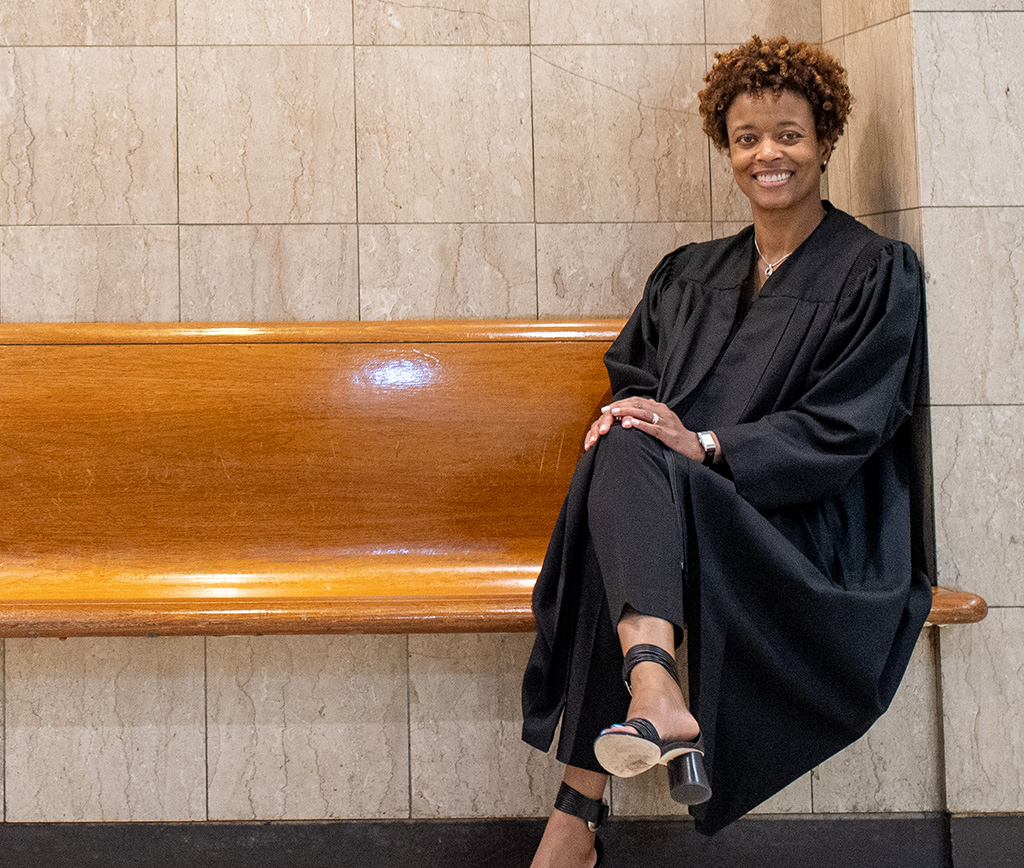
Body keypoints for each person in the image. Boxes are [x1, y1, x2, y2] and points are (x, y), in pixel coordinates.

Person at [522, 34, 932, 868]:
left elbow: (851, 424)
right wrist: (634, 422)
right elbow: (632, 380)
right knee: (628, 451)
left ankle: (581, 806)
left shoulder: (874, 271)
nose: (767, 154)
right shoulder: (689, 272)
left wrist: (703, 443)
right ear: (727, 147)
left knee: (630, 476)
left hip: (796, 530)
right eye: (748, 138)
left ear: (824, 142)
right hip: (680, 517)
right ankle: (653, 685)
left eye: (788, 133)